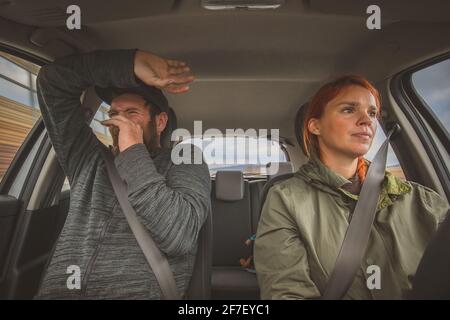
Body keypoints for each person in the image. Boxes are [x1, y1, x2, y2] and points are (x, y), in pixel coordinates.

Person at [35, 49, 211, 299]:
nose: (119, 123)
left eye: (132, 114)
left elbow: (178, 236)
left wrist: (133, 153)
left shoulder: (185, 159)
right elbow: (51, 82)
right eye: (114, 114)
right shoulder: (88, 158)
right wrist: (130, 64)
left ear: (160, 122)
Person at [254, 75, 449, 300]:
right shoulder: (286, 199)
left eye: (372, 113)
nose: (367, 120)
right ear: (315, 126)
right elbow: (287, 293)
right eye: (349, 110)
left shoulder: (423, 200)